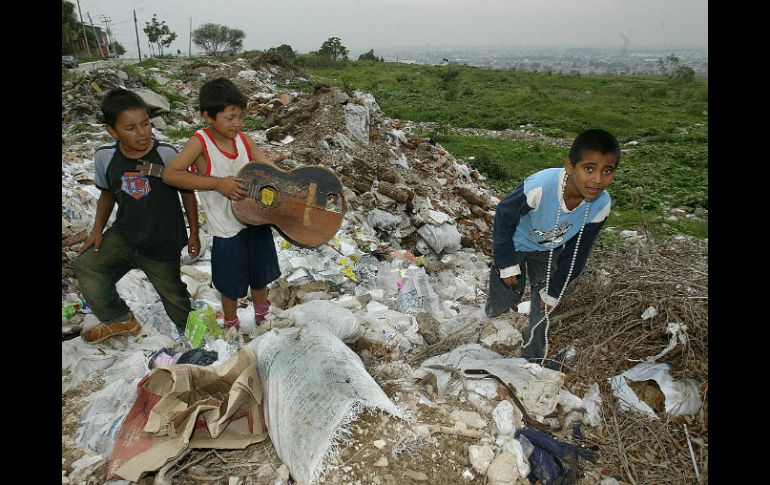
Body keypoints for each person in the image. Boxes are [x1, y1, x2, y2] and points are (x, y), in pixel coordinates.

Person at [74, 88, 200, 344]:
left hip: (162, 243)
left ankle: (201, 344)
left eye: (145, 124)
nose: (142, 133)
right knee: (86, 266)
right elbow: (107, 195)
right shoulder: (105, 157)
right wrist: (97, 231)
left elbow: (188, 193)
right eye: (130, 128)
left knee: (179, 305)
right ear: (112, 131)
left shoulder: (166, 154)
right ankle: (119, 319)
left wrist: (194, 232)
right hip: (124, 236)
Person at [485, 128, 620, 367]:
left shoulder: (600, 205)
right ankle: (492, 346)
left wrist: (555, 290)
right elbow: (504, 217)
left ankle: (532, 359)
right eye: (589, 168)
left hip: (549, 250)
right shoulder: (539, 187)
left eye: (607, 171)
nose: (597, 180)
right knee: (504, 296)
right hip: (516, 244)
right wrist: (507, 264)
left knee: (543, 308)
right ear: (570, 166)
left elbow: (578, 253)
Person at [163, 77, 281, 331]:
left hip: (257, 219)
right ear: (208, 116)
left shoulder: (244, 139)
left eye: (240, 116)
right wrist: (218, 184)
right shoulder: (200, 142)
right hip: (226, 230)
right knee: (230, 284)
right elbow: (171, 174)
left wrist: (291, 180)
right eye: (230, 118)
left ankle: (263, 316)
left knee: (260, 276)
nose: (237, 123)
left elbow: (264, 164)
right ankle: (231, 325)